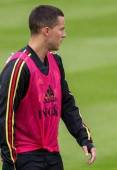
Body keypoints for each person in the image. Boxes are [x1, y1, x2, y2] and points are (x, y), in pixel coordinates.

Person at [0, 5, 96, 170]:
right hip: (24, 157)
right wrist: (10, 161)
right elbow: (4, 117)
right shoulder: (19, 67)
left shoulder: (55, 62)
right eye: (61, 29)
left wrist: (84, 138)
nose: (64, 35)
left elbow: (66, 104)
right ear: (46, 31)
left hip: (52, 156)